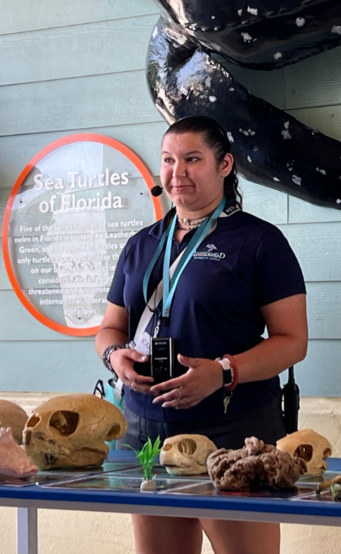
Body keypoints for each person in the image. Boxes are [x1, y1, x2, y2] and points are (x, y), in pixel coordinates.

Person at [96, 115, 308, 554]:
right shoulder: (141, 243)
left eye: (193, 159)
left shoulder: (260, 242)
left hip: (235, 429)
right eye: (169, 160)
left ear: (225, 164)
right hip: (147, 431)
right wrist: (115, 356)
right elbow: (110, 329)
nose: (178, 172)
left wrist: (223, 372)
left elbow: (292, 341)